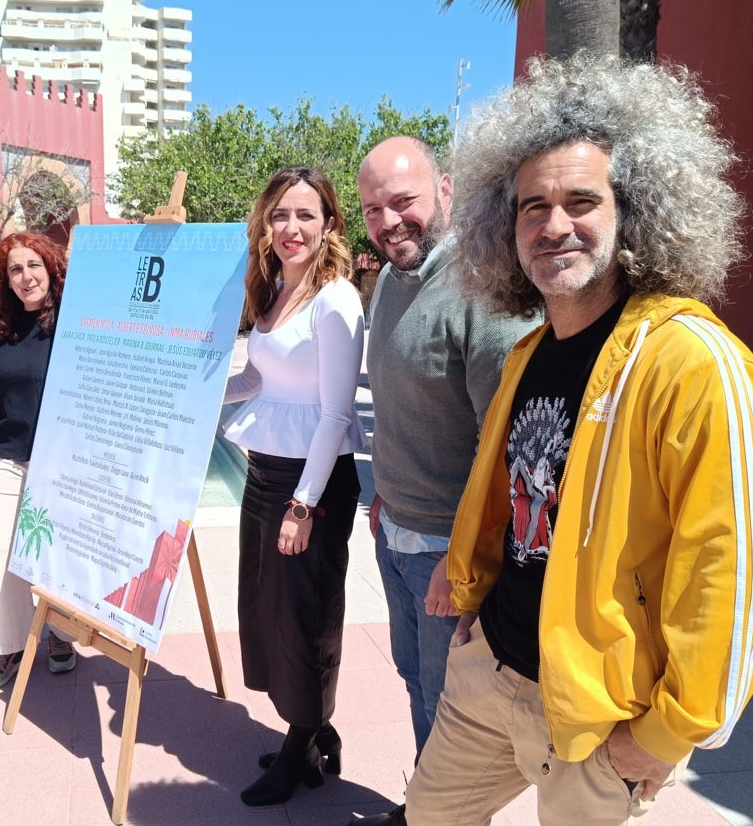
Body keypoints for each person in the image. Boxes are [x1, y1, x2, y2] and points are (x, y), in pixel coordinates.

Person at [404, 55, 753, 826]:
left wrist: (668, 735)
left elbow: (736, 568)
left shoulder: (691, 360)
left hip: (599, 718)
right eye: (530, 206)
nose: (554, 224)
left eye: (582, 200)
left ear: (633, 209)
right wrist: (470, 596)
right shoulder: (527, 354)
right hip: (490, 674)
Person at [350, 137, 538, 826]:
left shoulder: (482, 291)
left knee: (448, 708)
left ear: (447, 190)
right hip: (396, 534)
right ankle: (423, 810)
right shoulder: (394, 284)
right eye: (374, 209)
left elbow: (515, 449)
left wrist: (469, 566)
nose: (389, 220)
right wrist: (384, 498)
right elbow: (408, 407)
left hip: (445, 556)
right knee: (417, 684)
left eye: (404, 201)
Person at [223, 166, 366, 807]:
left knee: (306, 619)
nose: (292, 227)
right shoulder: (277, 288)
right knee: (269, 612)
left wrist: (303, 504)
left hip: (310, 484)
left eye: (306, 215)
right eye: (281, 214)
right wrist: (196, 396)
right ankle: (311, 729)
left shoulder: (336, 299)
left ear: (329, 223)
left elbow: (337, 411)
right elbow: (261, 381)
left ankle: (301, 744)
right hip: (265, 474)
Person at [0, 231, 77, 690]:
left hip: (60, 462)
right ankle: (11, 643)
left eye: (33, 265)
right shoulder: (0, 327)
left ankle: (58, 635)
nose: (25, 276)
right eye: (15, 269)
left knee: (53, 553)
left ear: (50, 269)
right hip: (10, 453)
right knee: (2, 550)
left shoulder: (73, 322)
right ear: (6, 280)